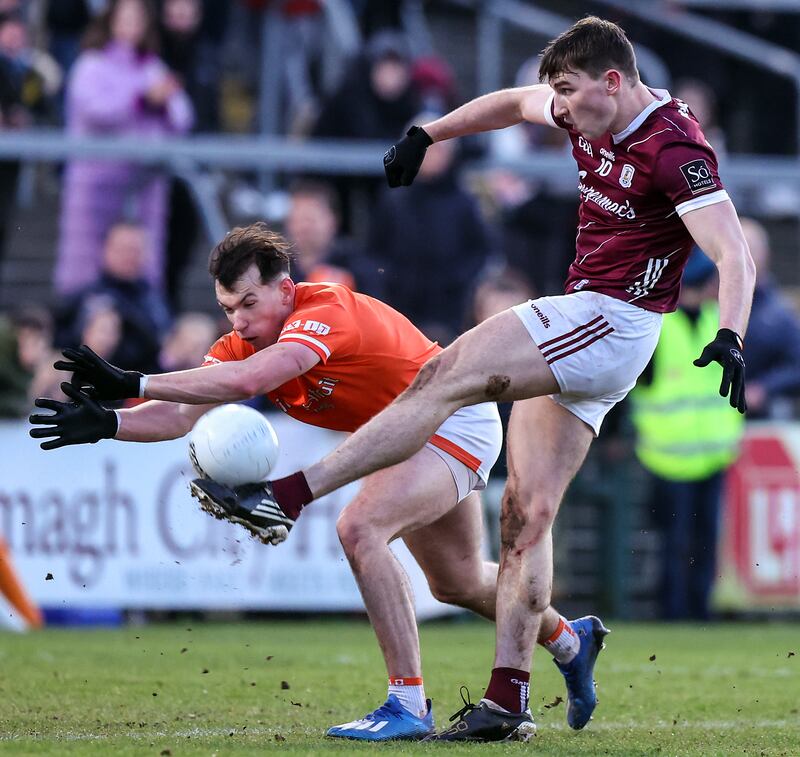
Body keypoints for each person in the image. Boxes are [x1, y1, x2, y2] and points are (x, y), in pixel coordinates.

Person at [161, 17, 754, 741]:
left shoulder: (674, 145)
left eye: (567, 92)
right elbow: (511, 103)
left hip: (612, 318)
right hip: (595, 331)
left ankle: (289, 493)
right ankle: (512, 698)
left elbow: (733, 253)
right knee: (525, 517)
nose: (558, 108)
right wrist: (430, 133)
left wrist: (730, 332)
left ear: (613, 80)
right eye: (555, 93)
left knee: (441, 373)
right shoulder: (581, 107)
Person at [31, 222, 602, 742]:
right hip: (403, 438)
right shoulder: (241, 343)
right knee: (453, 583)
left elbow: (257, 376)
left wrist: (136, 377)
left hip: (454, 420)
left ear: (285, 289)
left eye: (250, 303)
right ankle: (570, 641)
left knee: (360, 528)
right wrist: (110, 422)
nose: (239, 321)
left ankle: (406, 703)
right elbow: (180, 417)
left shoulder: (322, 308)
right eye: (228, 307)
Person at [629, 249, 744, 619]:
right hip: (668, 457)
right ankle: (674, 612)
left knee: (705, 541)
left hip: (711, 454)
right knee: (676, 542)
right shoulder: (660, 327)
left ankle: (699, 611)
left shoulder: (718, 322)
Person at [54, 0, 193, 296]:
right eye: (125, 17)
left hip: (144, 182)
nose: (131, 25)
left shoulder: (153, 66)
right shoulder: (92, 64)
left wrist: (162, 101)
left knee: (144, 254)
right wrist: (142, 100)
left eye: (138, 19)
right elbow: (94, 109)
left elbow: (183, 115)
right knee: (86, 259)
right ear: (110, 21)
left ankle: (145, 316)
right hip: (96, 182)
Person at [737, 217, 800, 418]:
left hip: (761, 422)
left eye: (749, 248)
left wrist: (763, 388)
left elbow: (796, 365)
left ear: (765, 254)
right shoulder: (705, 307)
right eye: (735, 247)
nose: (741, 256)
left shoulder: (780, 313)